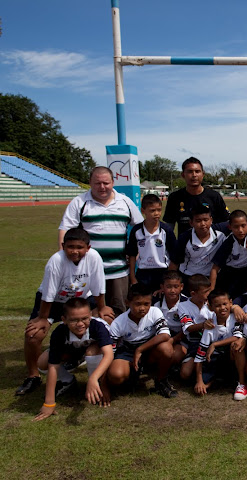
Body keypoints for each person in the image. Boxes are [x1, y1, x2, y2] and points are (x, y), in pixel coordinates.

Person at [17, 227, 114, 396]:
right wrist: (43, 318)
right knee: (34, 335)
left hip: (81, 299)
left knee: (107, 321)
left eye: (79, 247)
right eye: (70, 247)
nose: (75, 251)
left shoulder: (94, 257)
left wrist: (102, 308)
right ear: (63, 246)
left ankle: (96, 366)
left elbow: (98, 287)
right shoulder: (56, 261)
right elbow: (48, 293)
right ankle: (33, 375)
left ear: (88, 247)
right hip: (54, 301)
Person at [58, 166, 143, 316]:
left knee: (119, 313)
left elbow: (141, 228)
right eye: (97, 183)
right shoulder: (79, 202)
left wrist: (138, 252)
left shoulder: (125, 202)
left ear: (113, 182)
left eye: (106, 183)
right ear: (90, 182)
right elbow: (65, 229)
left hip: (119, 272)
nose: (102, 187)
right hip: (88, 272)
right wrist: (64, 257)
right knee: (89, 314)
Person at [33, 298, 114, 421]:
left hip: (95, 352)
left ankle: (97, 385)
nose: (80, 324)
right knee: (43, 362)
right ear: (64, 320)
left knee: (92, 351)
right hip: (74, 352)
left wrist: (95, 380)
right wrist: (49, 403)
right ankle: (67, 381)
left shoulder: (98, 326)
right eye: (74, 320)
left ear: (90, 315)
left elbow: (108, 355)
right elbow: (53, 366)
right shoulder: (59, 332)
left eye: (84, 318)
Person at [107, 283, 177, 398]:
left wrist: (140, 350)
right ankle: (132, 376)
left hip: (149, 348)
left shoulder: (154, 311)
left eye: (146, 304)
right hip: (128, 351)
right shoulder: (118, 323)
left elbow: (165, 335)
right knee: (116, 375)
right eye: (138, 304)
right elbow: (110, 352)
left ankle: (161, 381)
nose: (142, 308)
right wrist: (104, 385)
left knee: (166, 348)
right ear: (127, 303)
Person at [193, 290, 245, 399]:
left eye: (225, 304)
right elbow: (200, 355)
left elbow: (237, 336)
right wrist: (199, 381)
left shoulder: (235, 317)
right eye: (217, 306)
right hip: (217, 359)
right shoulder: (210, 325)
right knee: (203, 383)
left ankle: (242, 383)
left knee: (237, 345)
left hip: (232, 356)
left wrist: (214, 344)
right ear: (211, 307)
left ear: (231, 303)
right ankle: (220, 379)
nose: (222, 308)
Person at [163, 157, 229, 236]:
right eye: (190, 172)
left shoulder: (214, 196)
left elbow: (226, 223)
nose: (194, 175)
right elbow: (169, 226)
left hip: (212, 243)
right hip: (186, 243)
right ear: (183, 175)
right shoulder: (175, 197)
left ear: (203, 174)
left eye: (197, 171)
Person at [127, 194, 177, 292]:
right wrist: (133, 278)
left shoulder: (166, 230)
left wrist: (169, 279)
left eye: (159, 210)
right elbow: (132, 255)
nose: (156, 213)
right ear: (143, 211)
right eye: (152, 210)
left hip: (163, 272)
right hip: (143, 273)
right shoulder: (136, 230)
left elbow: (174, 257)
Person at [170, 204, 226, 287]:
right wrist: (170, 284)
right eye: (198, 221)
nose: (203, 224)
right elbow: (174, 263)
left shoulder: (220, 234)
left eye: (206, 220)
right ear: (191, 223)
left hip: (211, 277)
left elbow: (238, 222)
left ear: (211, 220)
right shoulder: (184, 238)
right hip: (189, 277)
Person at [210, 209, 247, 298]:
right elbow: (215, 269)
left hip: (246, 274)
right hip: (228, 275)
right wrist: (211, 292)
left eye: (243, 226)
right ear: (230, 227)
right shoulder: (229, 243)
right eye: (236, 227)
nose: (240, 230)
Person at [177, 274, 214, 380]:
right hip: (195, 343)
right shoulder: (183, 306)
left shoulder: (212, 303)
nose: (209, 294)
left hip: (213, 342)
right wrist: (203, 325)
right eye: (205, 292)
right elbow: (188, 327)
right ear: (193, 293)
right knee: (185, 374)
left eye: (209, 290)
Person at [154, 270, 188, 366]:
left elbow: (188, 329)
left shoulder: (187, 303)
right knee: (162, 350)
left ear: (181, 287)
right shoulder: (156, 301)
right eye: (168, 287)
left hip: (180, 338)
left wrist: (173, 340)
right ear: (162, 287)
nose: (172, 290)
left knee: (175, 356)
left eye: (176, 287)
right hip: (160, 336)